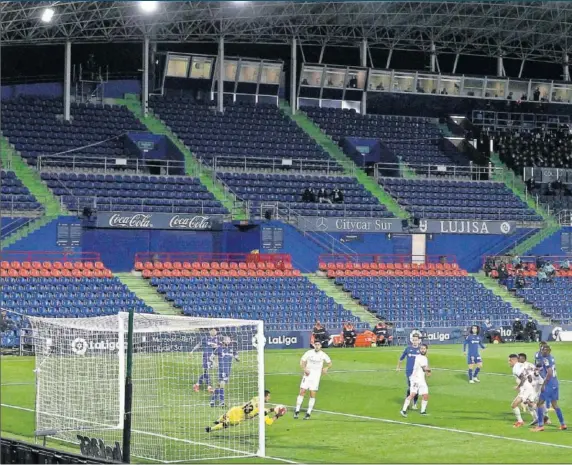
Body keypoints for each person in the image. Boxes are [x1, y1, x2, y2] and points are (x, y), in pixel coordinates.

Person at [205, 390, 284, 432]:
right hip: (237, 418)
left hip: (235, 409)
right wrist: (277, 415)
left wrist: (273, 409)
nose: (269, 398)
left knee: (226, 416)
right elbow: (269, 422)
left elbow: (262, 408)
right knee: (225, 425)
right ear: (265, 396)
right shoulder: (261, 410)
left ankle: (218, 420)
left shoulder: (256, 398)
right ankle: (211, 429)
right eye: (268, 396)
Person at [294, 340, 332, 420]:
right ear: (314, 345)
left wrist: (326, 368)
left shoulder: (323, 355)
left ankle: (308, 412)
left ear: (320, 346)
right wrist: (304, 369)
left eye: (318, 344)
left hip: (316, 377)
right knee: (302, 391)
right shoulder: (309, 352)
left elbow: (330, 363)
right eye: (316, 344)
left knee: (312, 393)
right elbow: (302, 361)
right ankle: (297, 410)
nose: (317, 346)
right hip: (307, 375)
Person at [532, 345, 567, 432]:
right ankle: (563, 424)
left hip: (549, 384)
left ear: (549, 351)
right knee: (555, 404)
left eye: (545, 350)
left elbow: (550, 373)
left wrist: (544, 384)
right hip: (555, 384)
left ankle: (540, 426)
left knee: (539, 404)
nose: (543, 351)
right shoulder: (551, 358)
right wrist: (539, 369)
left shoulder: (546, 359)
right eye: (542, 350)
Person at [400, 344, 431, 417]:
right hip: (415, 379)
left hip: (421, 380)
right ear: (420, 350)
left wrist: (428, 373)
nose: (423, 350)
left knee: (425, 395)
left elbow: (425, 369)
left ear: (426, 350)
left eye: (424, 349)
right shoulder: (419, 357)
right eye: (421, 349)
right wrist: (429, 370)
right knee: (413, 394)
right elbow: (424, 368)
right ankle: (403, 410)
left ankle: (423, 411)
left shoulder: (425, 358)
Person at [209, 336, 239, 407]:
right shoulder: (219, 348)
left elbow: (236, 356)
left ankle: (212, 401)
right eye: (226, 340)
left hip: (228, 370)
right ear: (224, 341)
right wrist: (214, 362)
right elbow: (211, 357)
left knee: (219, 385)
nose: (228, 341)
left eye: (229, 340)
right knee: (222, 385)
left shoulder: (232, 349)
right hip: (222, 369)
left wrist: (237, 358)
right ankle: (221, 402)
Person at [508, 354, 536, 427]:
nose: (509, 362)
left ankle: (520, 421)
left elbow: (523, 378)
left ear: (514, 360)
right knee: (530, 404)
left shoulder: (515, 368)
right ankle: (539, 418)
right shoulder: (521, 365)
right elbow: (529, 375)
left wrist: (518, 386)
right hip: (529, 387)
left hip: (525, 388)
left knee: (514, 405)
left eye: (510, 360)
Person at [396, 333, 421, 410]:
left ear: (419, 341)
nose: (414, 342)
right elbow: (401, 359)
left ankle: (414, 403)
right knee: (411, 388)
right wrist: (398, 367)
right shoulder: (408, 349)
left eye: (416, 340)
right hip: (409, 373)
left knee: (417, 389)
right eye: (413, 340)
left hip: (418, 373)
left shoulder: (421, 350)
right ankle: (408, 402)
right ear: (411, 340)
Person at [193, 329, 219, 393]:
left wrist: (216, 346)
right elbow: (199, 344)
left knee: (206, 372)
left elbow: (219, 348)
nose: (213, 331)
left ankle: (197, 385)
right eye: (212, 330)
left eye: (215, 330)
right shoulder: (205, 338)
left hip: (212, 357)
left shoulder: (217, 339)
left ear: (216, 332)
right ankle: (209, 387)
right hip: (205, 356)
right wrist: (192, 350)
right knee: (207, 371)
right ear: (209, 331)